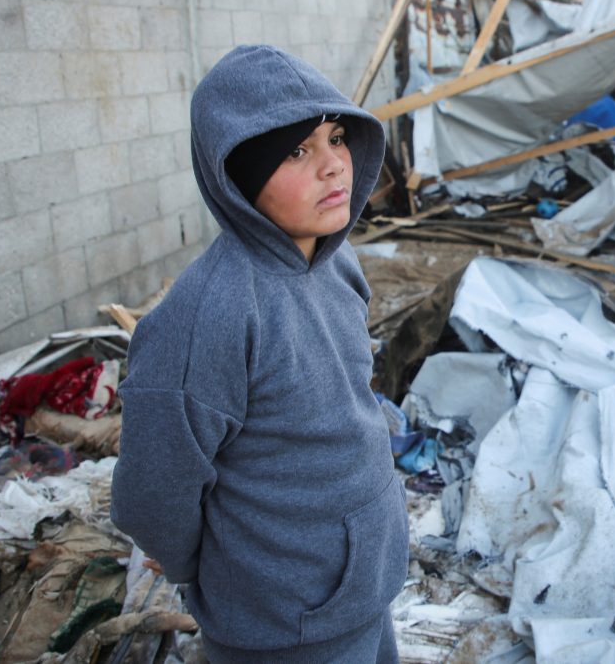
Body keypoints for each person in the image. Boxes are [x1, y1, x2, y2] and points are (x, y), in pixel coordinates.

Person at [111, 45, 409, 663]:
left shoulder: (336, 263)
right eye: (298, 151)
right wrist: (224, 576)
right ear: (238, 175)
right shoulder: (208, 317)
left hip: (363, 591)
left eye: (335, 137)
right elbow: (153, 495)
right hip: (281, 626)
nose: (333, 167)